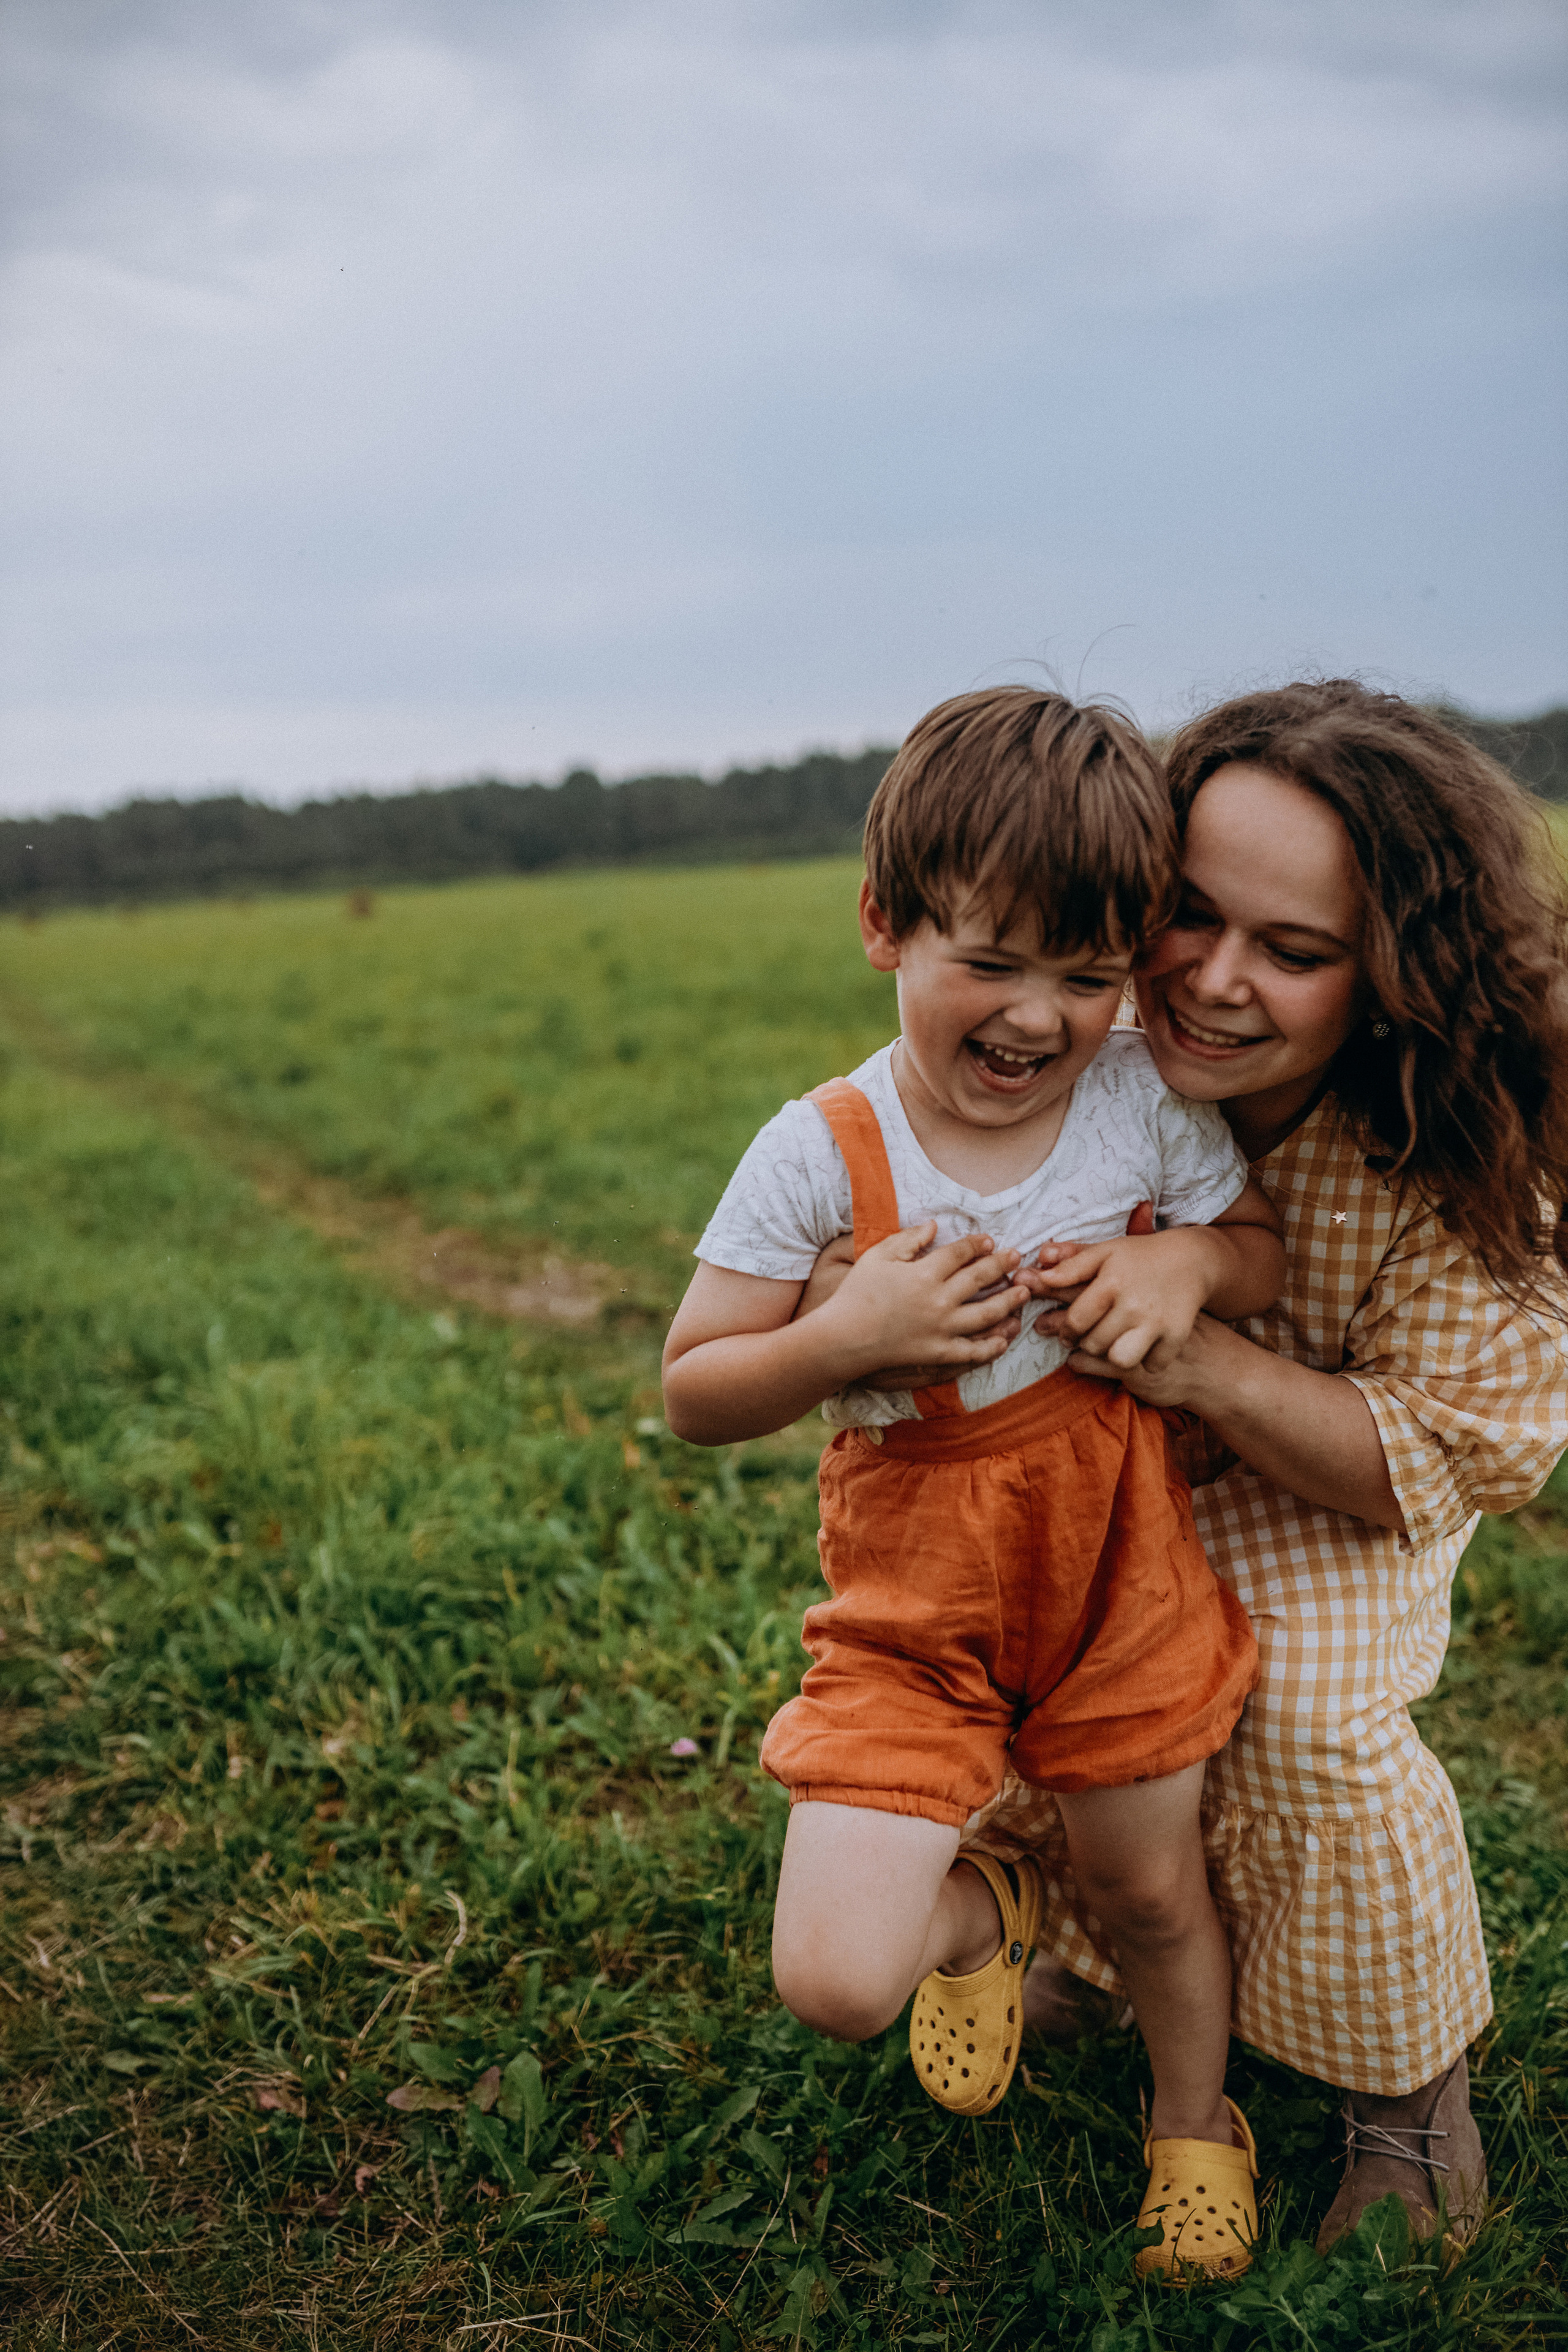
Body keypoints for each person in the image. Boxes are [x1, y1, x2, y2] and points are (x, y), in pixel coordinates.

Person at [662, 686, 1285, 2278]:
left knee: (1149, 1894)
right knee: (837, 1981)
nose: (1037, 1018)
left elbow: (1260, 1256)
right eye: (990, 963)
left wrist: (1195, 1271)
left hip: (1115, 1577)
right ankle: (985, 1913)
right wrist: (843, 1333)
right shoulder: (819, 1148)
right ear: (886, 924)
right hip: (912, 1611)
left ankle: (1194, 2121)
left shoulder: (1140, 1095)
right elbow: (694, 1388)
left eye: (1085, 978)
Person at [956, 681, 1568, 2256]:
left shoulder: (1454, 1133)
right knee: (1020, 1653)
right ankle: (1103, 1950)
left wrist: (1199, 1349)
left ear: (1389, 974)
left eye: (1293, 953)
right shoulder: (1075, 1045)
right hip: (1092, 1479)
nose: (1213, 984)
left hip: (1334, 1492)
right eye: (1185, 915)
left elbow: (1443, 1458)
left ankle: (1402, 2093)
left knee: (1285, 1702)